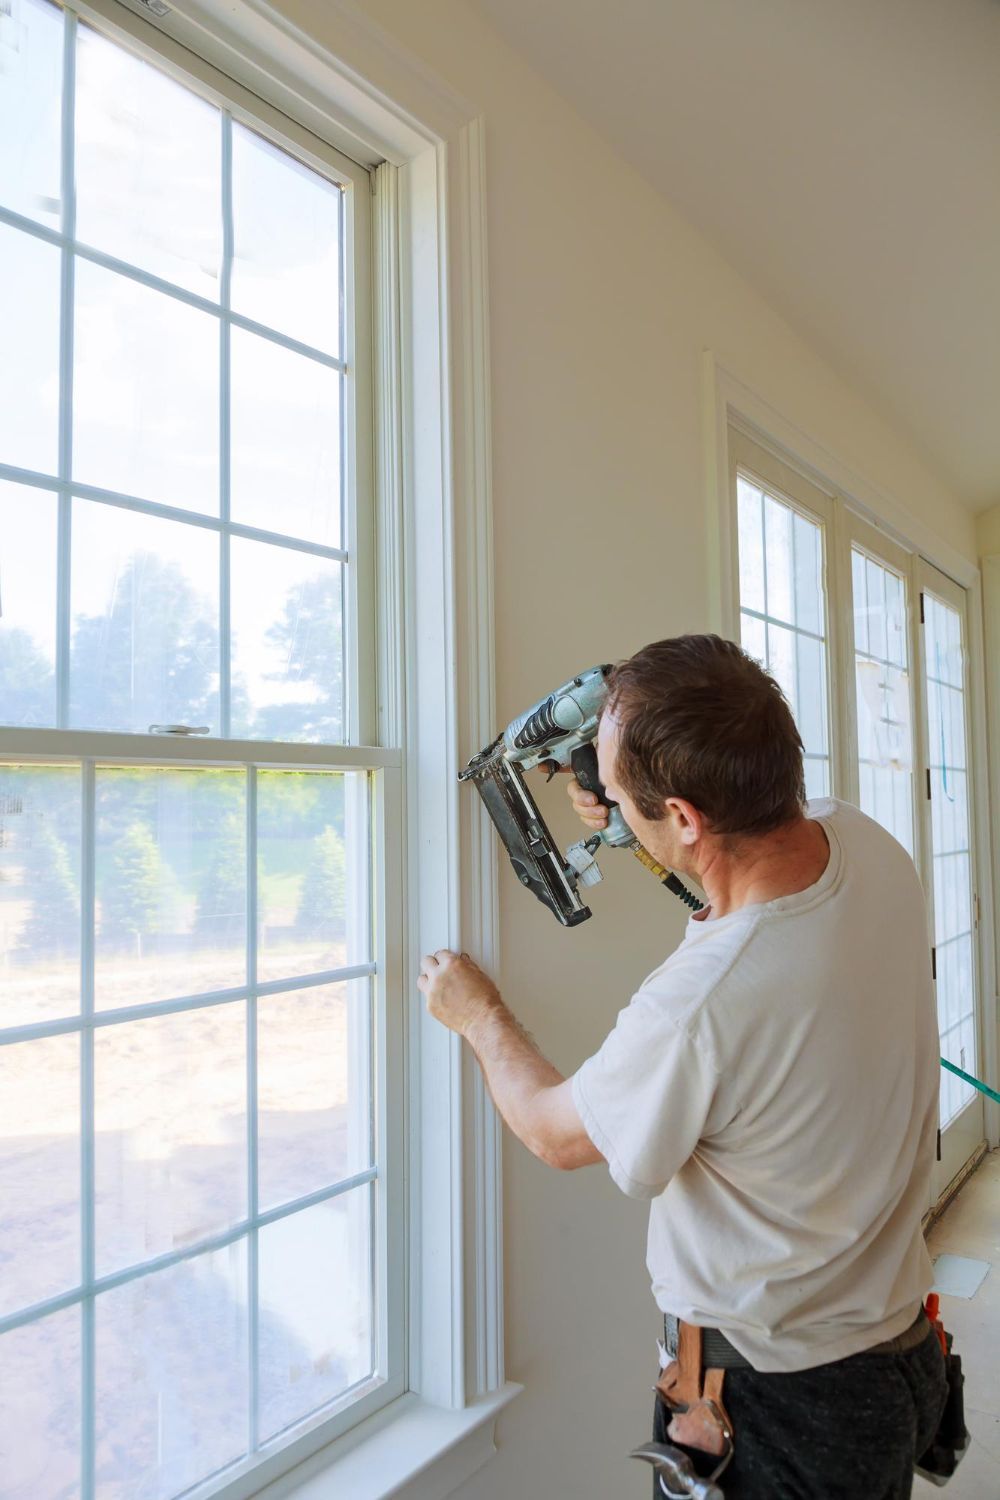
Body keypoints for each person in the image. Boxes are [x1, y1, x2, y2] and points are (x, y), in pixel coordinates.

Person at [417, 634, 947, 1499]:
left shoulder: (697, 1005)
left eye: (621, 794)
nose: (610, 804)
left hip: (777, 1406)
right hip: (893, 1355)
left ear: (689, 816)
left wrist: (477, 1014)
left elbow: (557, 1132)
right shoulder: (868, 842)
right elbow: (749, 901)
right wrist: (646, 815)